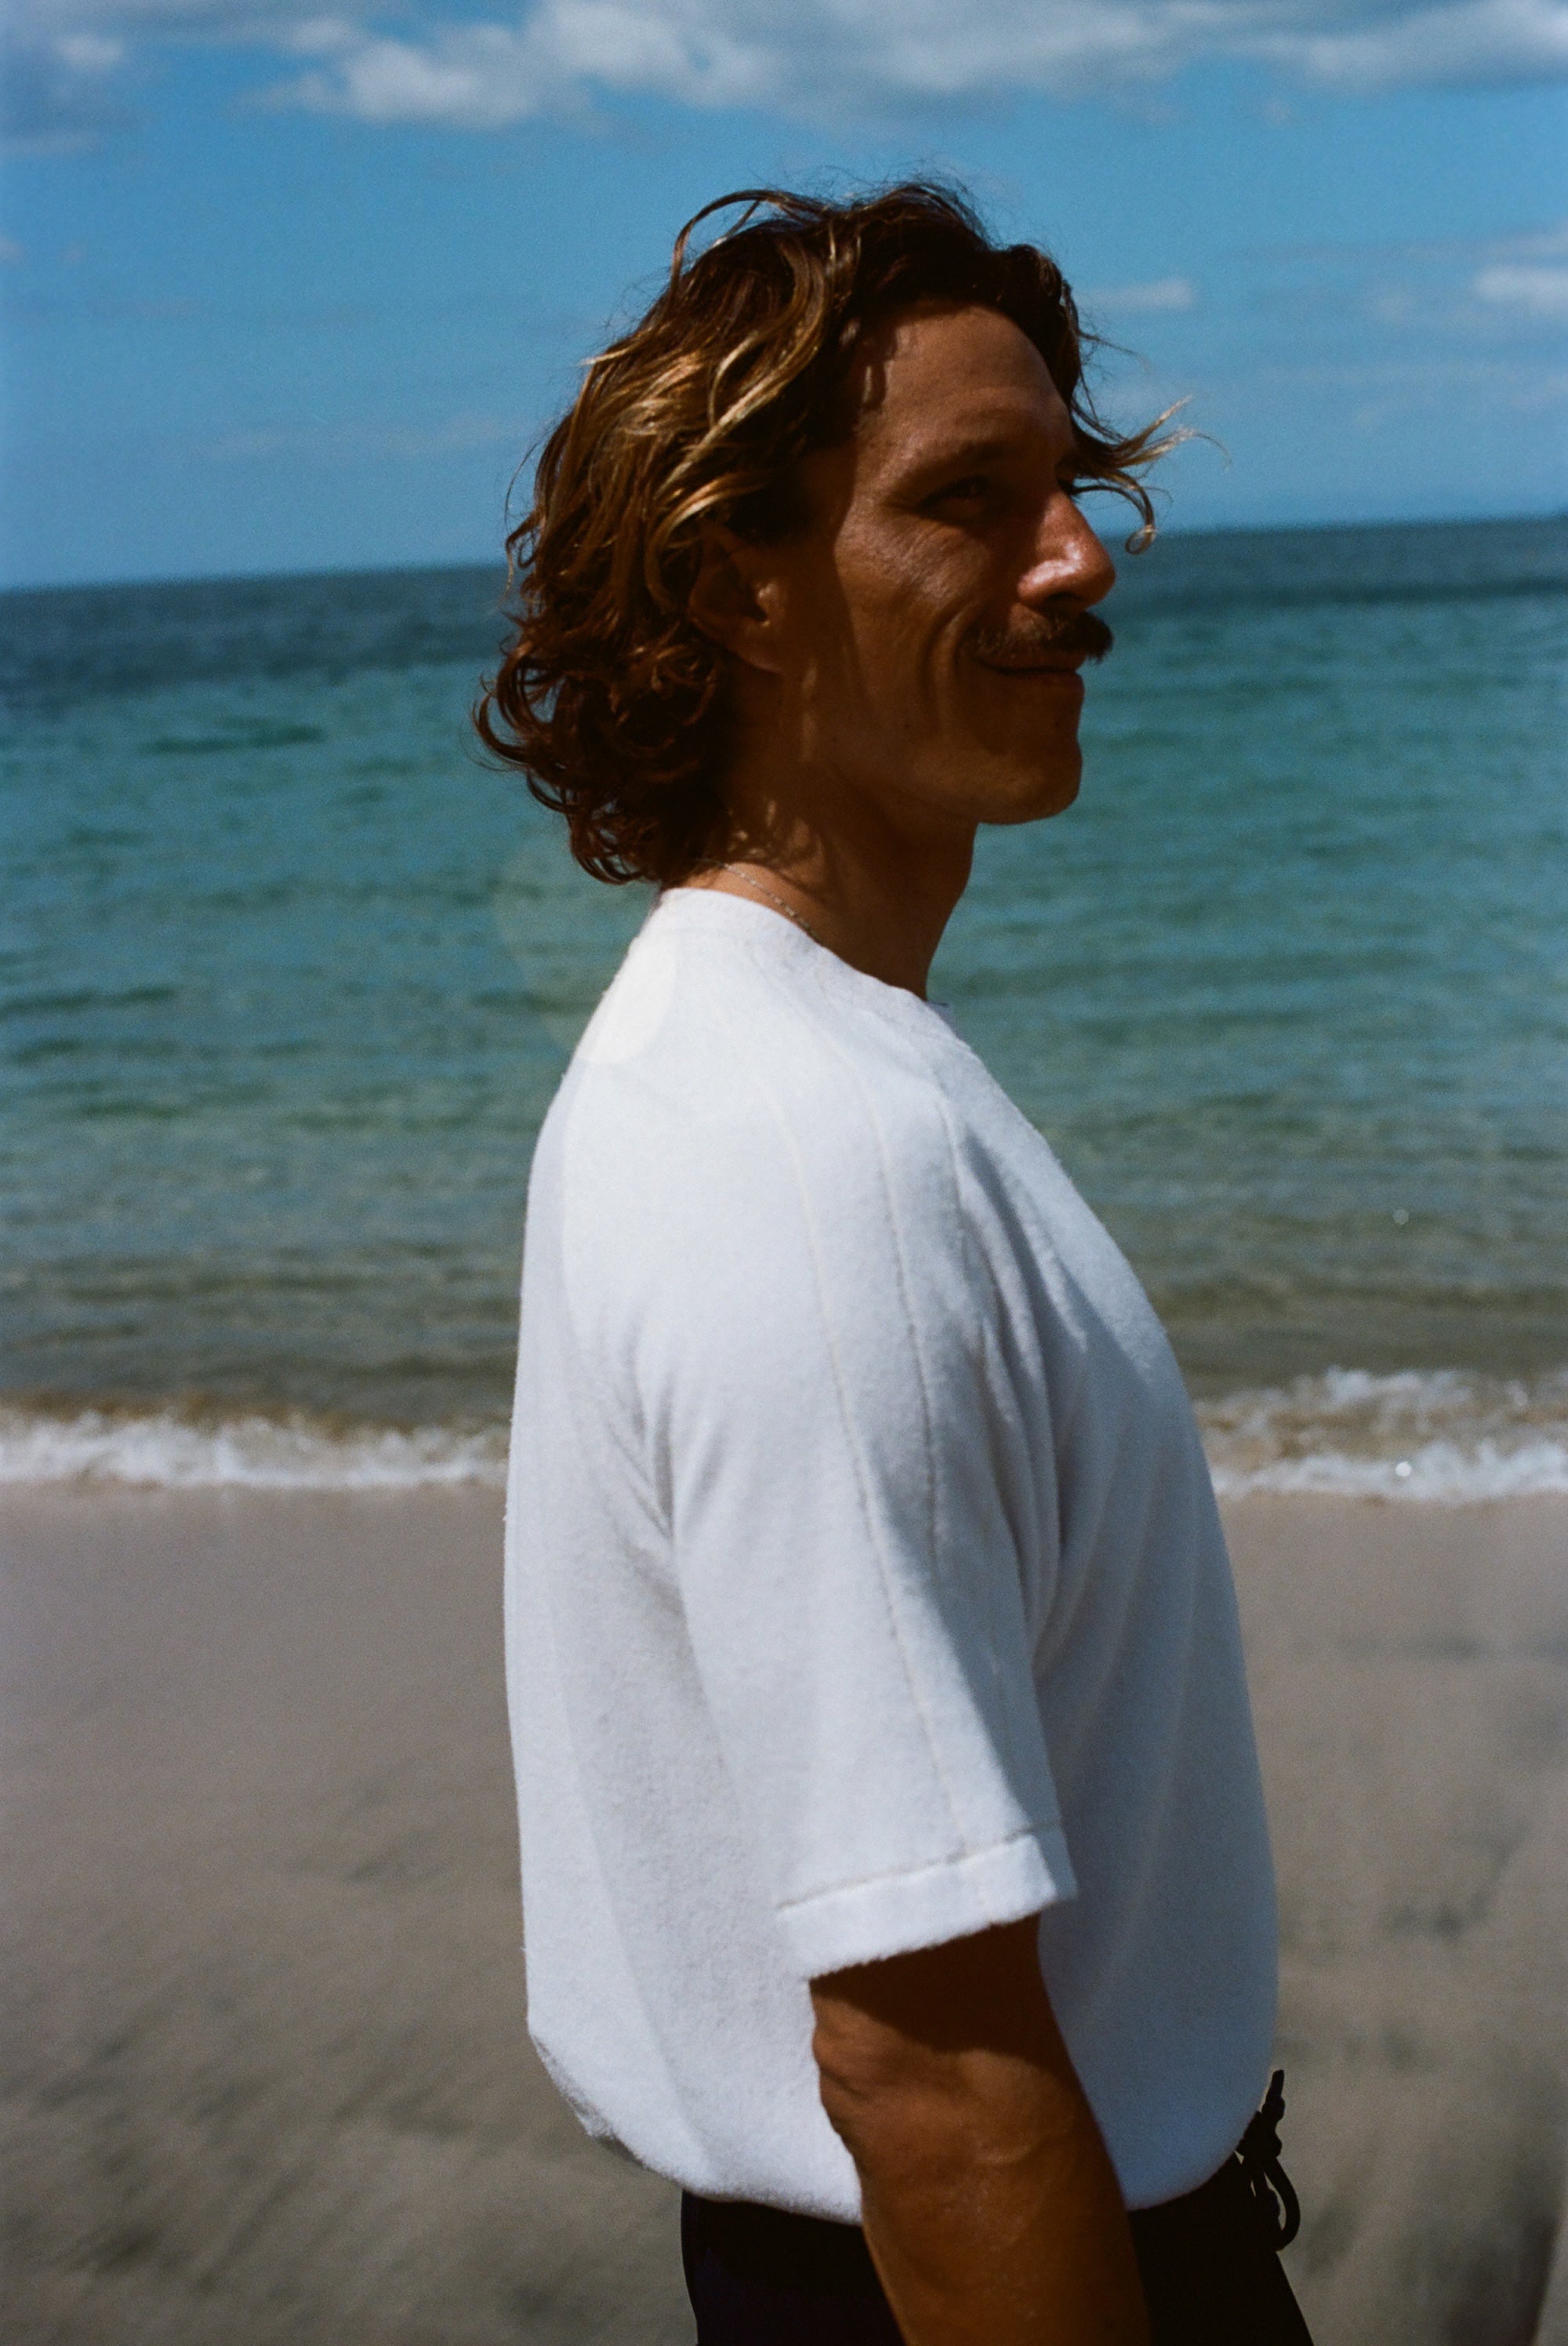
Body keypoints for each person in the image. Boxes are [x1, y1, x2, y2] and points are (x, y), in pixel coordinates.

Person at [477, 182, 1312, 2344]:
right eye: (974, 502)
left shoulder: (780, 1062)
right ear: (735, 584)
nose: (1080, 561)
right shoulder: (804, 1159)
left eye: (1073, 488)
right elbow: (924, 2074)